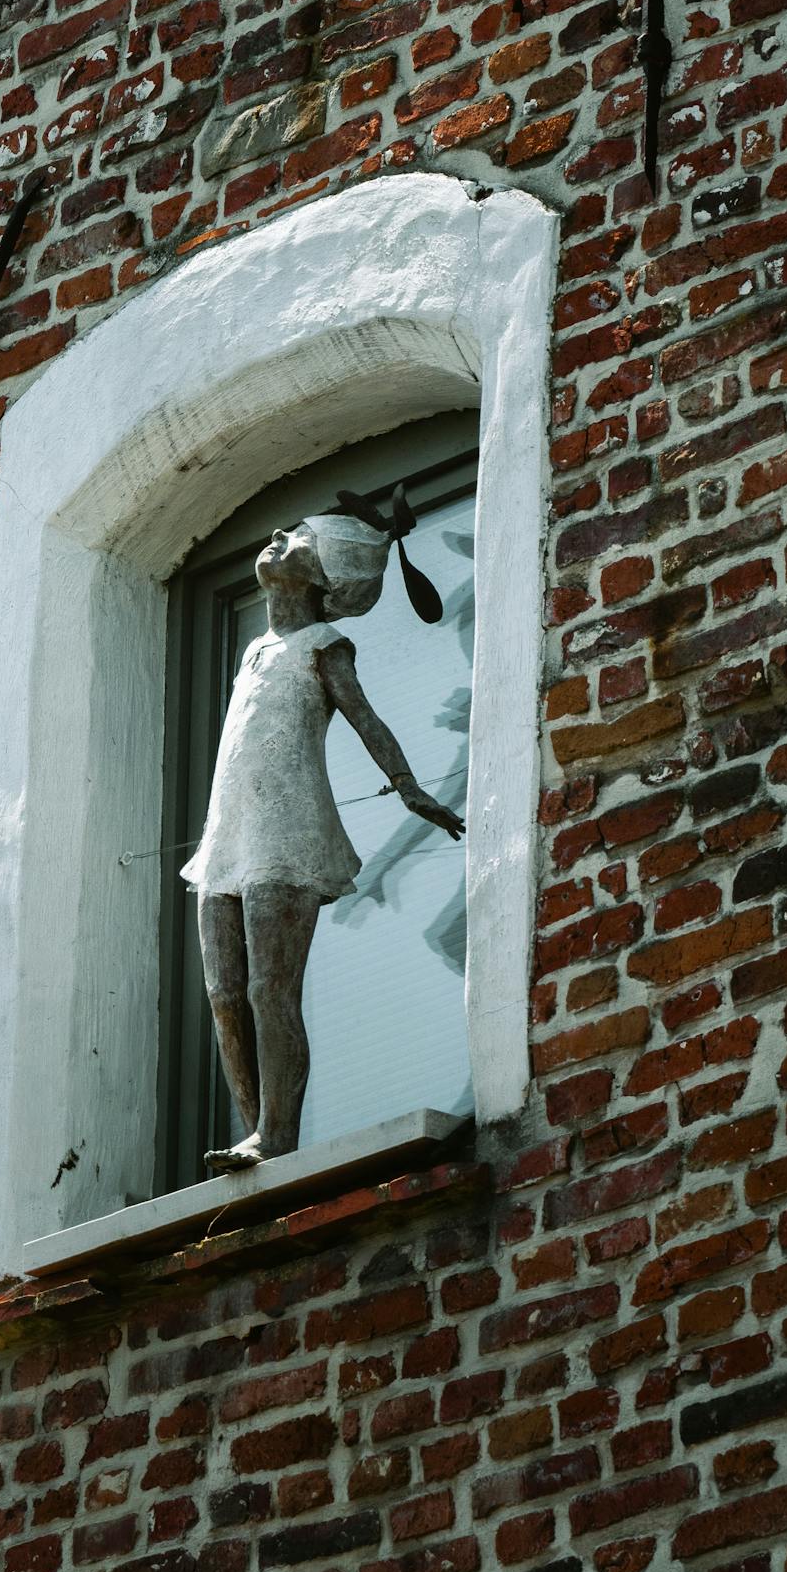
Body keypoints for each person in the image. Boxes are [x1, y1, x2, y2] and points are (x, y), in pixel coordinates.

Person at [182, 496, 464, 1171]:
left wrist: (407, 786)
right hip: (230, 832)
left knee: (267, 988)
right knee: (224, 991)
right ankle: (255, 1131)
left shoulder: (323, 645)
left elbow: (365, 718)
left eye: (301, 540)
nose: (279, 534)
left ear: (324, 577)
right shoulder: (255, 648)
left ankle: (276, 1135)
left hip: (289, 830)